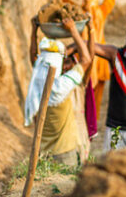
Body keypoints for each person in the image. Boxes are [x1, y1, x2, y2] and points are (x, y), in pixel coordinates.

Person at [25, 18, 93, 165]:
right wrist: (74, 30)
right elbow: (87, 59)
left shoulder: (37, 83)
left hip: (43, 153)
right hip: (65, 153)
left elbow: (34, 59)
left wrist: (34, 31)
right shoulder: (61, 86)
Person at [61, 0, 116, 121]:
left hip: (91, 58)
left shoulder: (88, 11)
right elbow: (64, 0)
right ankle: (88, 121)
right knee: (85, 94)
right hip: (92, 57)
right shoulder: (83, 12)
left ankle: (90, 122)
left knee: (88, 95)